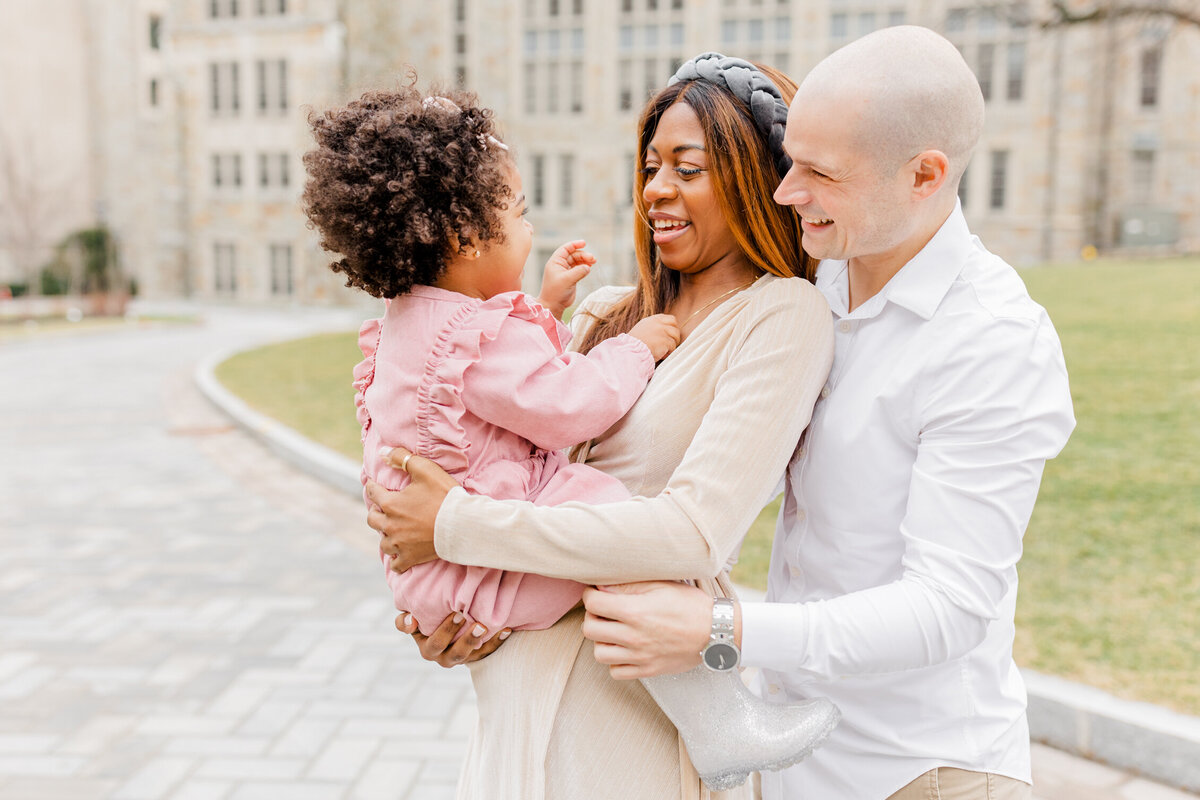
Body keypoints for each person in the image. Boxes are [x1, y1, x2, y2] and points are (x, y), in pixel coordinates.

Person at [557, 26, 1078, 800]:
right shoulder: (811, 286)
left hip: (924, 774)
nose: (784, 190)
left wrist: (720, 635)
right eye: (790, 159)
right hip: (796, 768)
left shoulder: (991, 341)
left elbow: (949, 609)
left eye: (819, 173)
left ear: (925, 175)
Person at [301, 83, 829, 791]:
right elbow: (530, 433)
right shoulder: (610, 314)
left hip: (623, 730)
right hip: (514, 711)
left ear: (753, 180)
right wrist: (455, 611)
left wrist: (455, 528)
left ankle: (728, 723)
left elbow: (693, 534)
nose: (656, 191)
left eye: (687, 169)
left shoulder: (779, 316)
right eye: (649, 169)